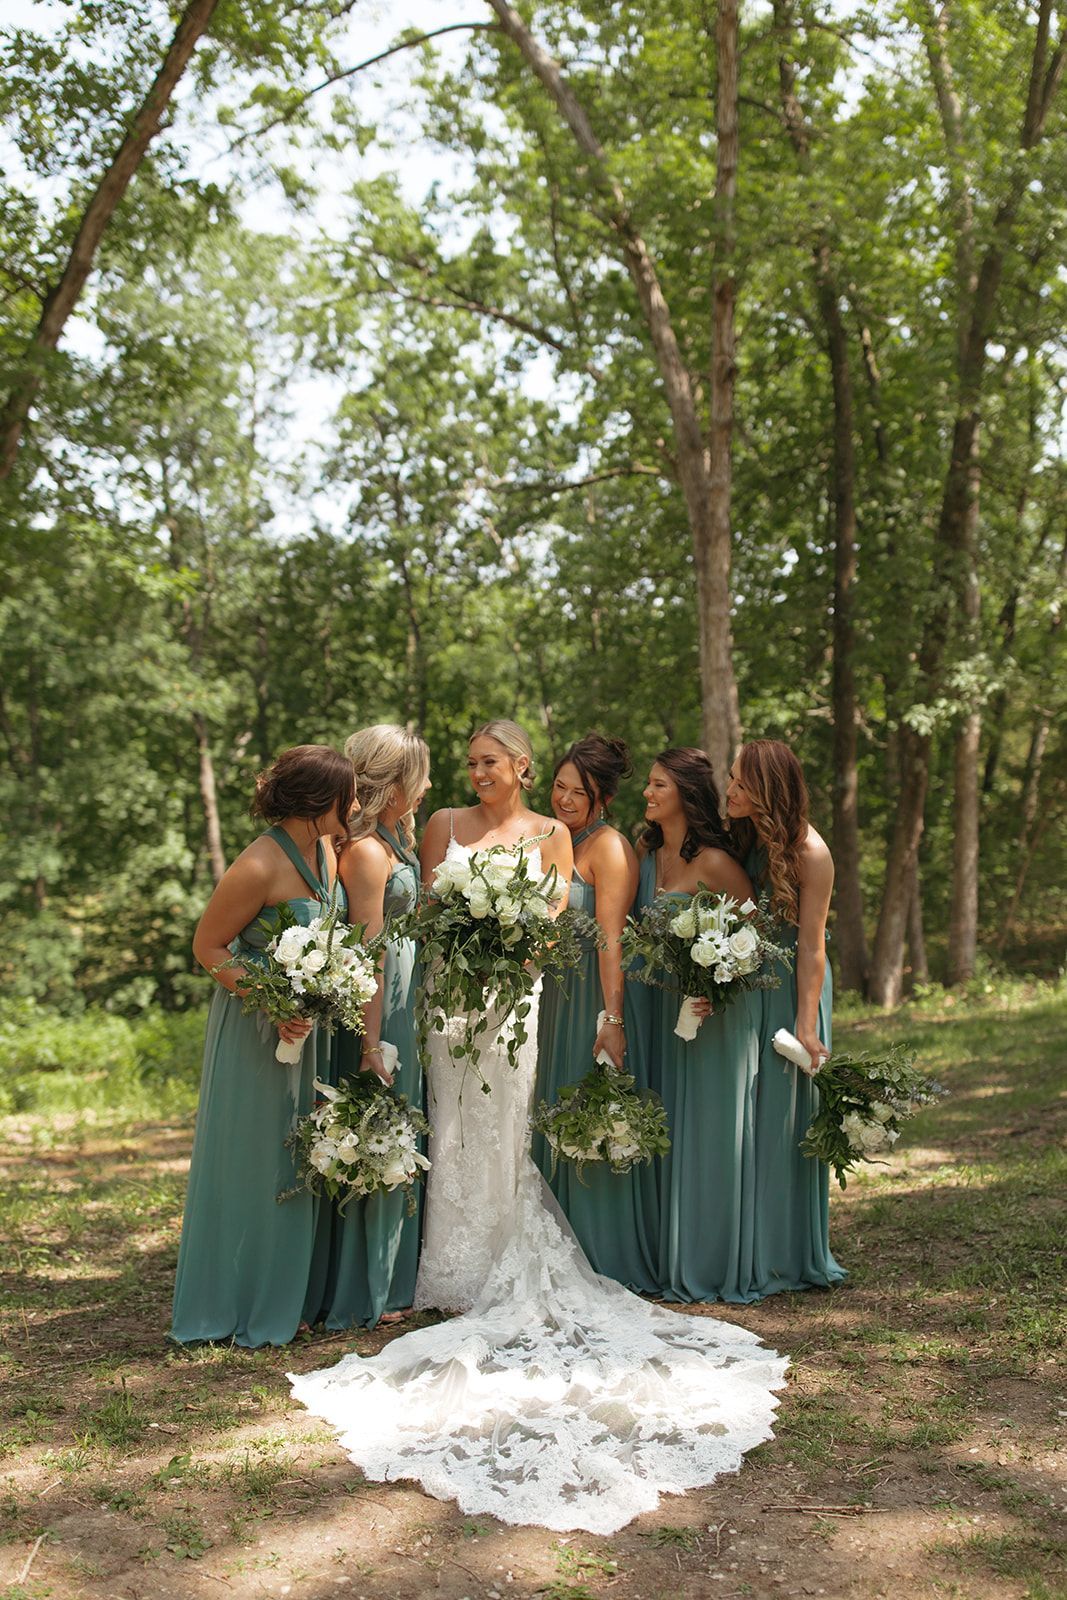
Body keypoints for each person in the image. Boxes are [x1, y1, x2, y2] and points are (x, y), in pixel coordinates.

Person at [290, 721, 787, 1536]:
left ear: (519, 767)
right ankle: (441, 1265)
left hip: (512, 1003)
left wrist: (525, 955)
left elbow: (559, 921)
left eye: (492, 762)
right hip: (449, 1001)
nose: (477, 772)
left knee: (502, 1124)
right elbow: (421, 913)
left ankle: (495, 1258)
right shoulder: (441, 825)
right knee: (447, 1121)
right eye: (471, 763)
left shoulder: (555, 835)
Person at [171, 745, 355, 1347]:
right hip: (257, 1028)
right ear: (315, 802)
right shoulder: (256, 865)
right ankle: (241, 1297)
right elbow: (209, 947)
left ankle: (294, 1292)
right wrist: (274, 1003)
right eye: (345, 795)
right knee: (258, 1158)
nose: (353, 806)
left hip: (309, 1027)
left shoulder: (326, 847)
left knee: (301, 1155)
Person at [637, 747, 762, 1304]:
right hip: (650, 1011)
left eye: (658, 784)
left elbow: (753, 935)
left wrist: (716, 983)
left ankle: (708, 1257)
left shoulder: (712, 860)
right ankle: (665, 1251)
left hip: (706, 1019)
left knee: (703, 1132)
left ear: (684, 795)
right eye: (648, 783)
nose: (647, 792)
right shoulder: (644, 852)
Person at [531, 733, 656, 1290]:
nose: (563, 799)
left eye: (577, 792)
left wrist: (611, 1020)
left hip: (588, 1001)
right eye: (558, 786)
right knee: (547, 1115)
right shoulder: (555, 838)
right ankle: (551, 1252)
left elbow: (612, 941)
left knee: (585, 1115)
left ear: (602, 797)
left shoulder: (608, 848)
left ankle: (601, 1257)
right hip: (549, 999)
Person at [726, 739, 846, 1295]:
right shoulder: (746, 833)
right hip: (749, 983)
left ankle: (783, 1254)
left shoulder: (812, 852)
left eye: (741, 784)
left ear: (768, 792)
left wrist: (804, 1024)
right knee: (746, 1121)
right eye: (730, 779)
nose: (730, 791)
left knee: (781, 1120)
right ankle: (746, 1243)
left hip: (794, 992)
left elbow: (812, 947)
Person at [323, 725, 431, 1330]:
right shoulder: (365, 852)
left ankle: (397, 1273)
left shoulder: (395, 841)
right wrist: (369, 1043)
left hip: (406, 994)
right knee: (381, 1121)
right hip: (379, 1002)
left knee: (404, 1124)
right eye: (421, 776)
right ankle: (374, 1283)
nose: (430, 786)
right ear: (392, 786)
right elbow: (365, 952)